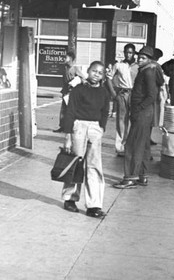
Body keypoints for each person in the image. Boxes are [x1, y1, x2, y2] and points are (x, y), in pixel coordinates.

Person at [62, 61, 110, 218]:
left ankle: (94, 205)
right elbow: (70, 112)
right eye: (94, 71)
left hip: (95, 129)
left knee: (94, 166)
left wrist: (101, 128)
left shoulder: (104, 92)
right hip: (79, 127)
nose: (96, 74)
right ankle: (70, 199)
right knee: (76, 163)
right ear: (88, 71)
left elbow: (105, 112)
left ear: (103, 76)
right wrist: (68, 135)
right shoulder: (78, 89)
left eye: (100, 72)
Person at [113, 46, 163, 189]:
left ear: (150, 60)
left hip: (142, 114)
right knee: (144, 146)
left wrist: (138, 109)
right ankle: (142, 176)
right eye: (139, 57)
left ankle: (130, 177)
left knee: (132, 145)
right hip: (145, 114)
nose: (139, 60)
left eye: (143, 58)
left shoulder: (148, 72)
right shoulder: (149, 70)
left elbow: (151, 96)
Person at [106, 43, 138, 156]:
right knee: (121, 120)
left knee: (134, 120)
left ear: (134, 53)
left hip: (135, 95)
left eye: (130, 52)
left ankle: (131, 146)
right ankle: (120, 147)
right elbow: (108, 78)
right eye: (126, 52)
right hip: (122, 94)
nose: (128, 55)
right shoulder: (118, 65)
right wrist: (114, 94)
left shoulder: (138, 66)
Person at [53, 50, 86, 133]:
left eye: (66, 57)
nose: (64, 58)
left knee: (72, 110)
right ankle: (62, 126)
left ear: (71, 59)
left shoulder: (75, 68)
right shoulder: (65, 68)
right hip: (65, 92)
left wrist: (76, 82)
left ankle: (72, 127)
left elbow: (83, 78)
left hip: (73, 93)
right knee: (63, 110)